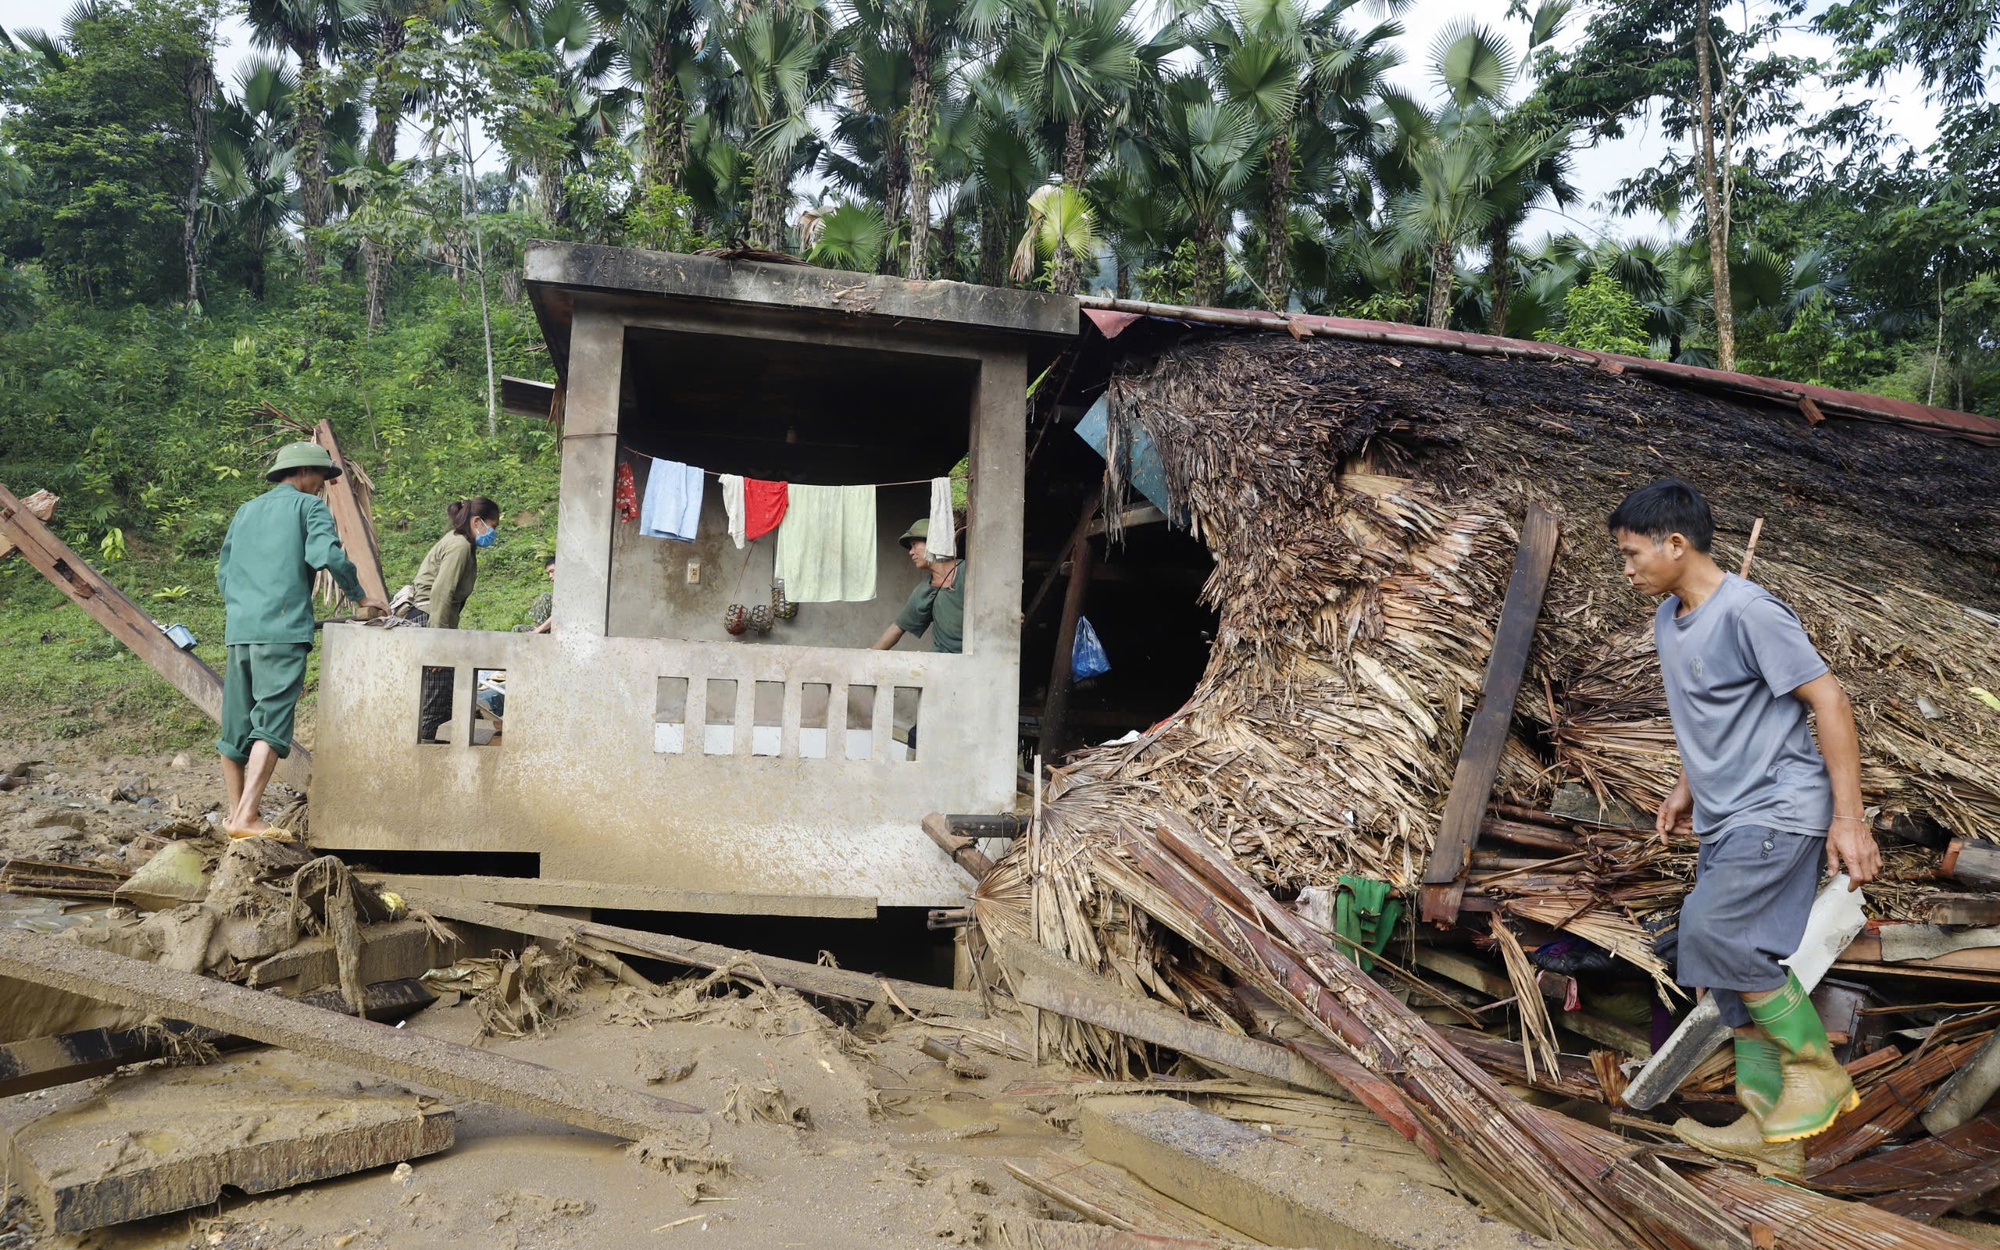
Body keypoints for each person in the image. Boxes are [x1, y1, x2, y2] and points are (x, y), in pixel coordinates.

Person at [1608, 478, 1879, 1176]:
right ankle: (1770, 1128)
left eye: (1633, 553)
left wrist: (1849, 820)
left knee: (1713, 933)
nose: (1626, 567)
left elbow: (1831, 702)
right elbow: (1711, 715)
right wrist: (1684, 787)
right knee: (1725, 972)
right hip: (1725, 816)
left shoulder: (1751, 612)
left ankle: (1819, 1070)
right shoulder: (1670, 619)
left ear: (1676, 544)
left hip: (1780, 807)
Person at [215, 441, 388, 838]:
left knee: (235, 726)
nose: (323, 485)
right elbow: (328, 554)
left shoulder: (246, 511)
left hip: (240, 630)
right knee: (271, 723)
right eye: (322, 478)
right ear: (305, 473)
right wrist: (362, 596)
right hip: (282, 630)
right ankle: (247, 816)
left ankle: (234, 815)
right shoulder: (308, 508)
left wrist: (244, 608)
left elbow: (224, 572)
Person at [409, 497, 500, 741]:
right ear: (477, 521)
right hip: (429, 619)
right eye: (493, 525)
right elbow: (441, 591)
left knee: (442, 693)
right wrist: (438, 642)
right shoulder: (459, 545)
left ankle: (427, 743)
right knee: (435, 696)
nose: (493, 532)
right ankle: (424, 747)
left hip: (435, 619)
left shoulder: (462, 543)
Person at [872, 518, 963, 655]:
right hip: (942, 662)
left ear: (932, 543)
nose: (911, 552)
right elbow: (897, 628)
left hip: (980, 657)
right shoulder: (924, 591)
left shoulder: (968, 572)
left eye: (914, 545)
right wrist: (868, 657)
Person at [513, 558, 555, 634]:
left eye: (552, 571)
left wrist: (537, 631)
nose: (550, 576)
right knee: (517, 629)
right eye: (548, 573)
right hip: (547, 628)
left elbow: (557, 617)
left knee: (546, 596)